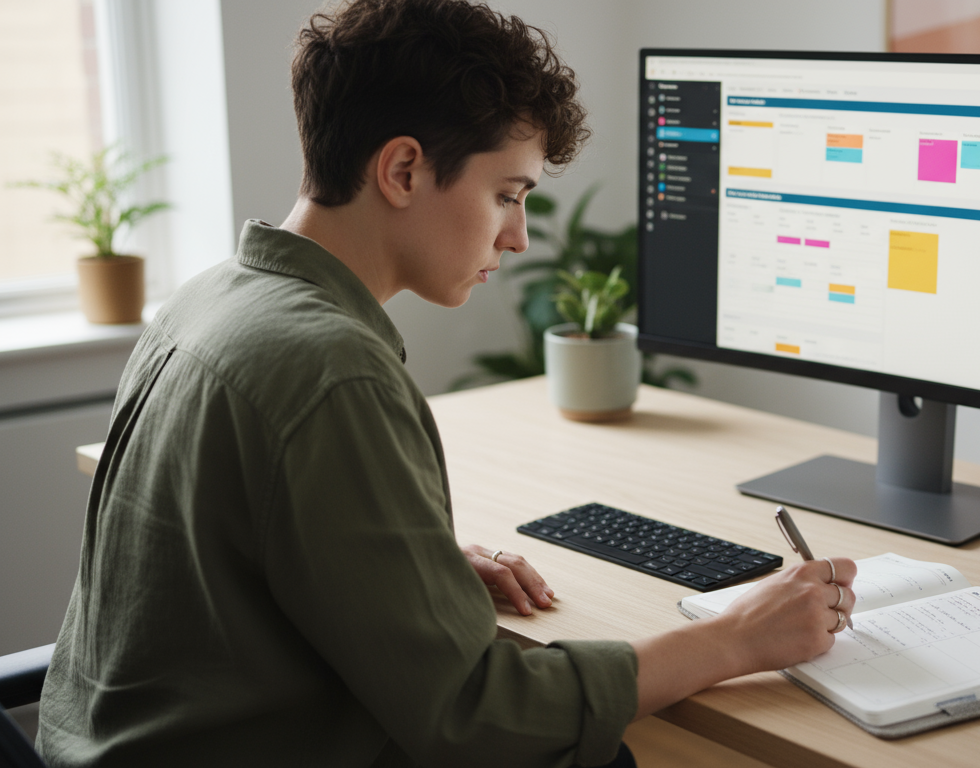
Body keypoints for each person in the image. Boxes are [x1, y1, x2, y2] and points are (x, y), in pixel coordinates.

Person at [36, 1, 857, 766]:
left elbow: (239, 558)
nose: (520, 237)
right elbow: (472, 716)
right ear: (401, 170)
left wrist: (404, 571)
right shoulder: (332, 369)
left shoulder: (210, 297)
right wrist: (737, 638)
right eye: (506, 194)